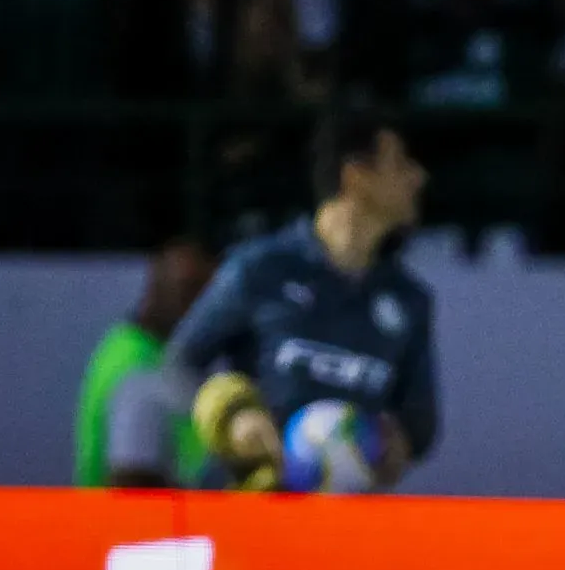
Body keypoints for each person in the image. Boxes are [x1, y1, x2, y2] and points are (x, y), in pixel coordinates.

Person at [168, 108, 440, 492]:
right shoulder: (261, 268)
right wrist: (232, 416)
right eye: (399, 163)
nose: (418, 177)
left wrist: (396, 441)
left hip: (341, 528)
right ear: (355, 176)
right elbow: (178, 364)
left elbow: (421, 423)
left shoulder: (409, 300)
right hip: (247, 512)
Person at [76, 237, 221, 489]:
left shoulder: (130, 346)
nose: (202, 310)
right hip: (141, 525)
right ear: (155, 291)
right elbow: (131, 478)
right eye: (190, 294)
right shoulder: (139, 368)